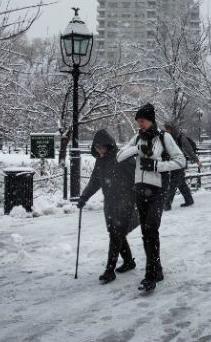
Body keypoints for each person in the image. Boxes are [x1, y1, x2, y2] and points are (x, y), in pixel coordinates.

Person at [117, 103, 186, 292]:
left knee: (151, 228)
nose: (140, 124)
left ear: (151, 120)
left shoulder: (165, 137)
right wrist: (138, 149)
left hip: (158, 189)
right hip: (140, 190)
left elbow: (181, 160)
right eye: (138, 121)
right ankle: (158, 269)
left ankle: (150, 275)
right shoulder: (137, 138)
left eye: (142, 121)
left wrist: (156, 166)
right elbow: (120, 156)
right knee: (146, 233)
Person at [76, 129, 138, 284]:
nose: (100, 150)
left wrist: (140, 197)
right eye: (97, 148)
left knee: (116, 234)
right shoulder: (100, 161)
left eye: (102, 147)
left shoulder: (122, 158)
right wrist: (84, 197)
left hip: (126, 201)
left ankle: (110, 270)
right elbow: (94, 182)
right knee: (116, 233)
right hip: (110, 202)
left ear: (109, 145)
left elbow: (137, 177)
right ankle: (129, 261)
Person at [163, 121, 202, 210]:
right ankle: (189, 200)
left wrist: (197, 161)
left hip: (180, 163)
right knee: (181, 183)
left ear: (172, 128)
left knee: (172, 184)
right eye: (166, 129)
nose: (167, 130)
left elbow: (189, 150)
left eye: (168, 128)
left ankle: (167, 204)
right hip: (173, 163)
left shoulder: (180, 137)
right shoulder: (168, 137)